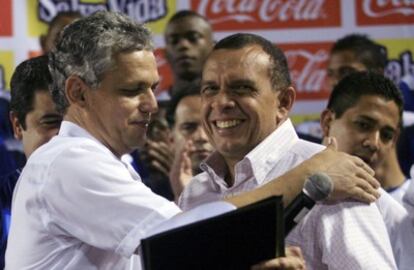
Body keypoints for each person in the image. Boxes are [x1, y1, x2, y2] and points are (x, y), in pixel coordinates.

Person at [6, 12, 380, 269]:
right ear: (79, 92)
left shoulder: (343, 186)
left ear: (284, 102)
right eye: (133, 90)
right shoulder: (70, 163)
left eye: (152, 87)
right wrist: (307, 176)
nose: (152, 104)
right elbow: (186, 236)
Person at [178, 33, 397, 269]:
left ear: (283, 103)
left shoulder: (339, 180)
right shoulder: (195, 193)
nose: (221, 102)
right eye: (210, 89)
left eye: (241, 88)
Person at [320, 71, 413, 269]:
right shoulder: (281, 181)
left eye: (386, 135)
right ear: (328, 122)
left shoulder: (395, 218)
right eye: (363, 125)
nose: (374, 143)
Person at [0, 54, 62, 269]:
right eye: (51, 123)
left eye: (76, 124)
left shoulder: (113, 188)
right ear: (17, 125)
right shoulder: (3, 203)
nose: (66, 137)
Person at [166, 81, 214, 200]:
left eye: (211, 125)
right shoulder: (151, 196)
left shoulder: (251, 188)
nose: (201, 137)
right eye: (189, 128)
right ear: (171, 139)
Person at [164, 10, 214, 98]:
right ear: (165, 54)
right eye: (174, 41)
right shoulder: (153, 106)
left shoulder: (229, 103)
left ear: (213, 47)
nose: (183, 45)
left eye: (193, 38)